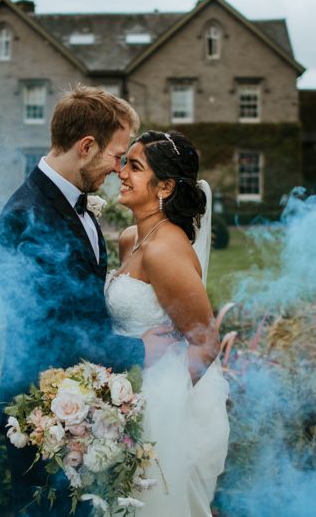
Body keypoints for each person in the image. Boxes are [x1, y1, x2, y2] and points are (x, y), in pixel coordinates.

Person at [0, 86, 175, 516]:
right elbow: (55, 328)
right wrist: (141, 348)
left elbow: (84, 305)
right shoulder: (28, 216)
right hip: (41, 418)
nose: (118, 169)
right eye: (116, 156)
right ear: (86, 146)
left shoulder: (76, 206)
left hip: (81, 410)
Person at [106, 129, 230, 516]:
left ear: (164, 186)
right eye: (125, 162)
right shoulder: (131, 239)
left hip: (155, 412)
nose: (122, 173)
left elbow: (206, 343)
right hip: (123, 391)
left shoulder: (165, 250)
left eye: (135, 166)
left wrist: (162, 403)